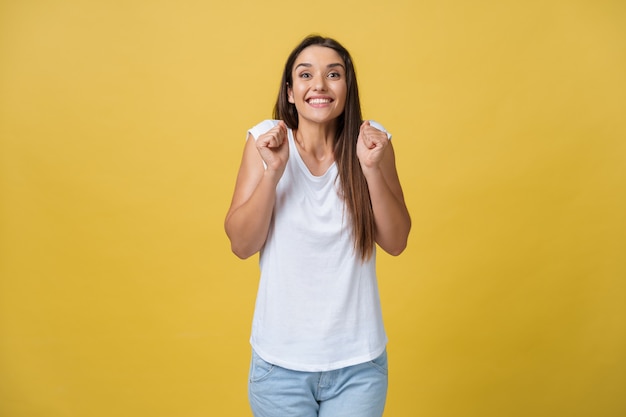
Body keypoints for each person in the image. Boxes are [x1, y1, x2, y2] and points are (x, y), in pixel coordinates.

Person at [224, 35, 411, 417]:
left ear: (347, 87)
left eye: (333, 74)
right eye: (306, 74)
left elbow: (396, 241)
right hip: (279, 367)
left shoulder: (372, 143)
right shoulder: (264, 141)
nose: (320, 85)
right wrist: (273, 171)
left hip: (358, 366)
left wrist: (371, 169)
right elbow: (241, 244)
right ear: (290, 92)